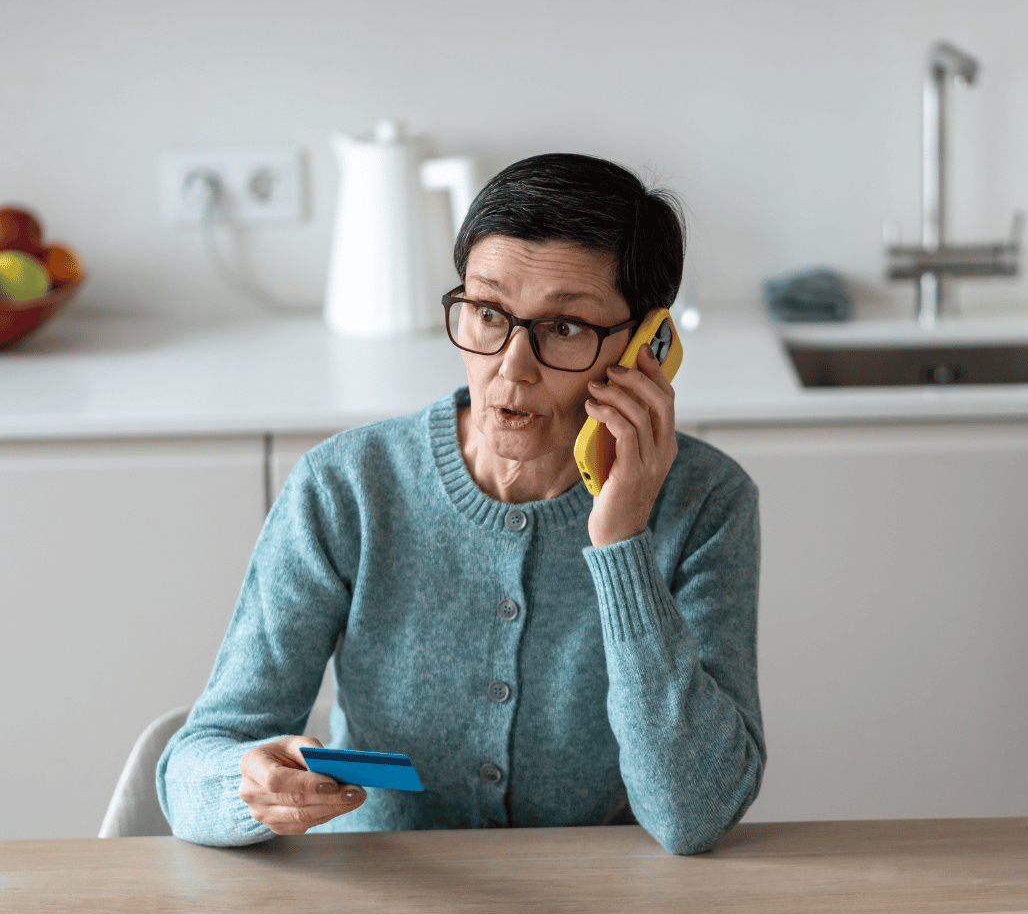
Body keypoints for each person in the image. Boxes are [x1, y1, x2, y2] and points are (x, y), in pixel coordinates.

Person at [157, 153, 764, 856]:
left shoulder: (707, 502)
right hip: (385, 905)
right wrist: (248, 786)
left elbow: (695, 813)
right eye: (486, 313)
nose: (511, 367)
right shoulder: (348, 486)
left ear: (644, 348)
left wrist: (623, 539)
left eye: (565, 327)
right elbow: (190, 770)